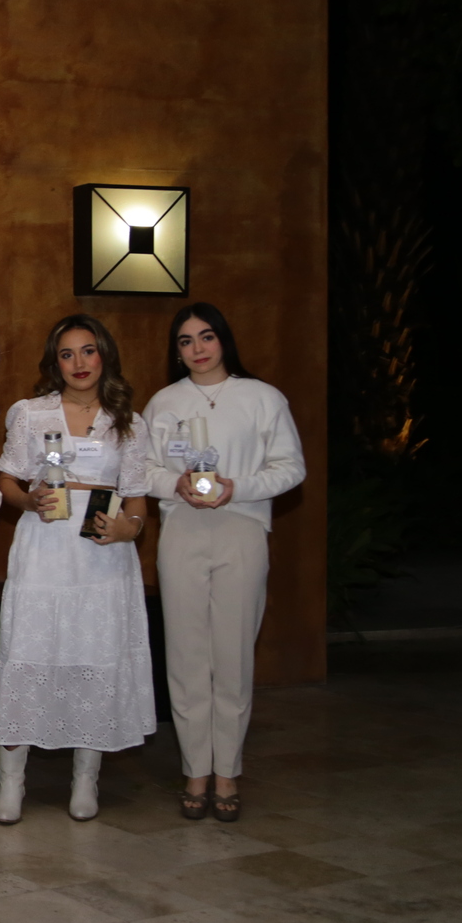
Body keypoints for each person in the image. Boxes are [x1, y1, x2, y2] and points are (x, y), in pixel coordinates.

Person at [144, 304, 305, 822]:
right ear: (177, 351)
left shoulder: (262, 397)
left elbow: (291, 468)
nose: (198, 348)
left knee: (233, 656)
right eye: (186, 341)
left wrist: (240, 487)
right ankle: (195, 770)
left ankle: (227, 771)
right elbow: (142, 469)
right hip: (183, 532)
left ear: (223, 341)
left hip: (241, 528)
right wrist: (175, 483)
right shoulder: (164, 403)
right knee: (187, 656)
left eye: (206, 337)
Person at [0, 315, 153, 824]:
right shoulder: (30, 413)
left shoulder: (128, 421)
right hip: (44, 549)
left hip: (101, 556)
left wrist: (128, 528)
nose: (79, 363)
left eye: (88, 351)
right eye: (67, 354)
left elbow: (137, 500)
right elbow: (6, 480)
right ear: (54, 362)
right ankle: (11, 781)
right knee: (27, 655)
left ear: (104, 355)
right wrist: (28, 499)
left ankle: (86, 780)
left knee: (94, 659)